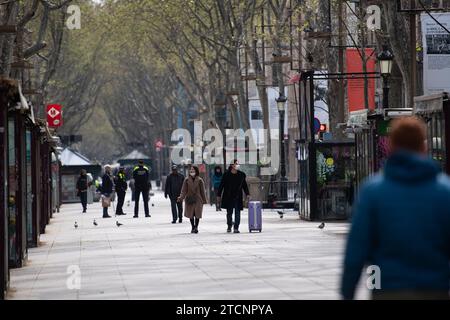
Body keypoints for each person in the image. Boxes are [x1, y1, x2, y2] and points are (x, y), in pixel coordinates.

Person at [341, 116, 450, 300]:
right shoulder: (444, 191)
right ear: (424, 148)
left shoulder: (372, 192)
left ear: (391, 148)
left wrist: (348, 292)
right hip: (434, 288)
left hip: (387, 289)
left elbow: (356, 250)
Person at [217, 159, 250, 233]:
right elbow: (221, 185)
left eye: (238, 163)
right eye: (236, 164)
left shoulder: (241, 175)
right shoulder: (226, 175)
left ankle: (236, 227)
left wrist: (247, 193)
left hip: (238, 196)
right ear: (232, 165)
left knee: (237, 212)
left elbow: (244, 185)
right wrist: (218, 195)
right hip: (228, 196)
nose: (237, 165)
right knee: (229, 212)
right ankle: (229, 225)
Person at [177, 166, 207, 234]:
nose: (192, 171)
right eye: (191, 170)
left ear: (196, 171)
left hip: (198, 199)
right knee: (191, 214)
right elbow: (183, 190)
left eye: (193, 170)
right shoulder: (186, 180)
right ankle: (192, 227)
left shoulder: (200, 180)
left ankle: (196, 227)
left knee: (197, 214)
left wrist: (204, 200)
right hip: (189, 198)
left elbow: (203, 191)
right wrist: (181, 197)